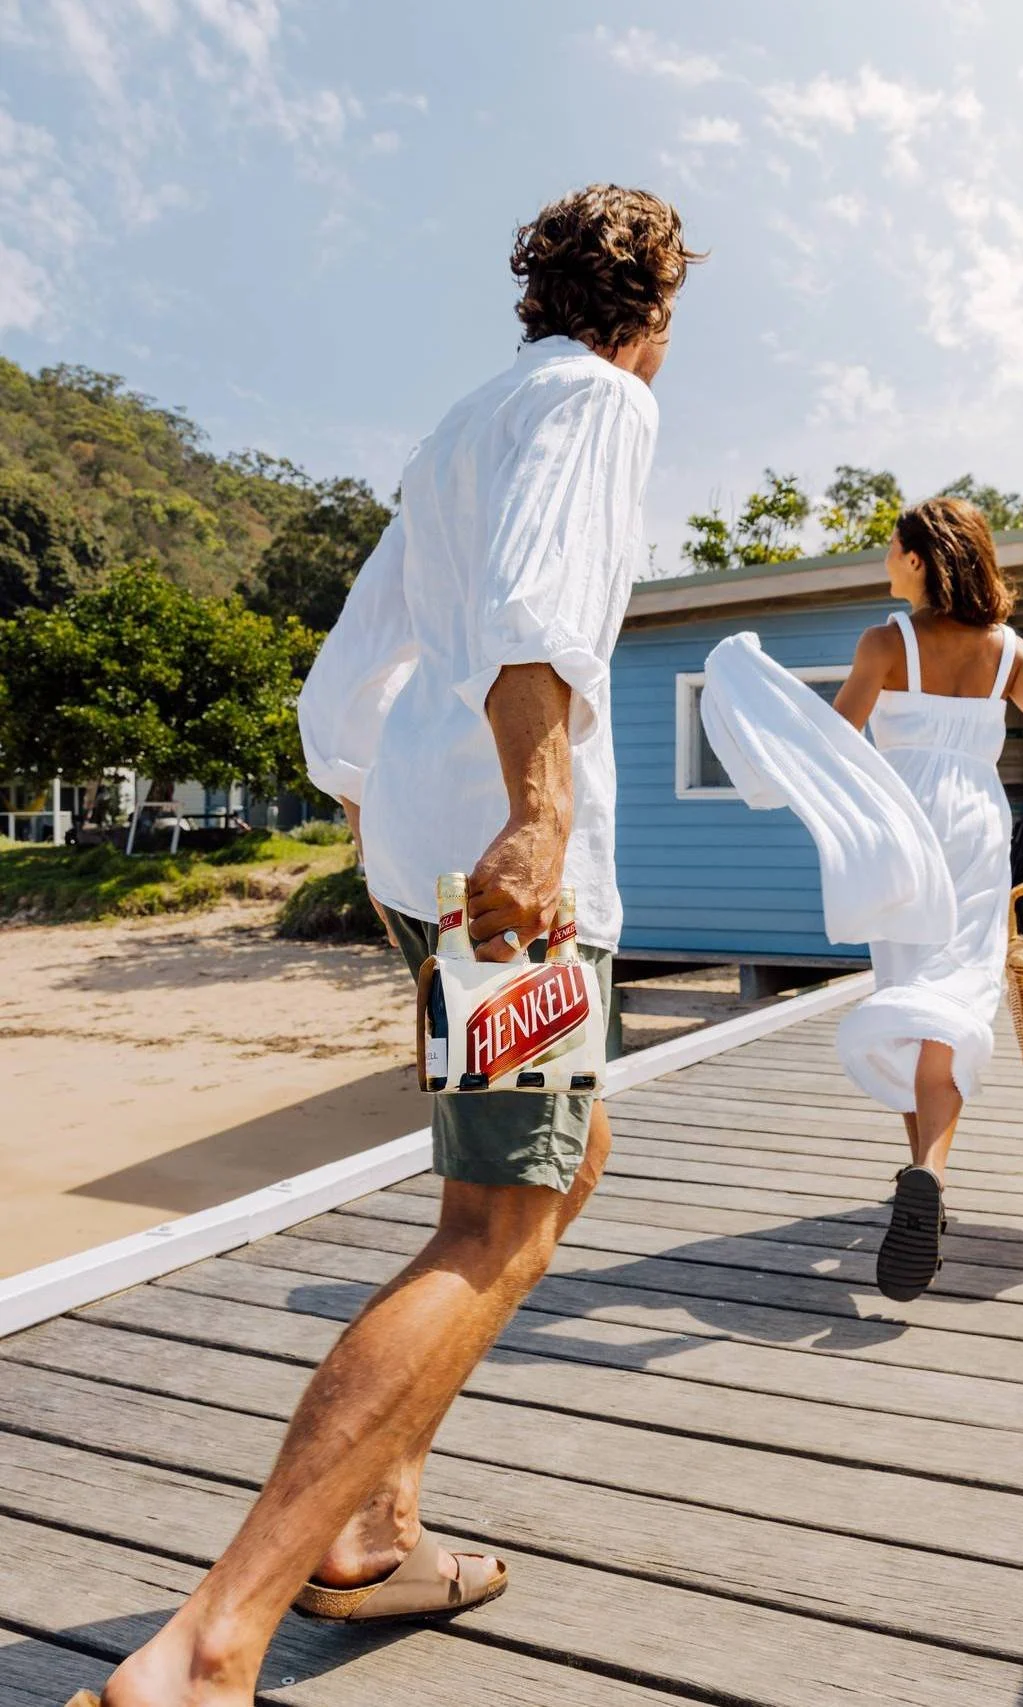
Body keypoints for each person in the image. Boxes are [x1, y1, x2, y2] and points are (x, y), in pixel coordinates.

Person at [79, 184, 700, 1707]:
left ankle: (372, 1526)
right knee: (497, 1221)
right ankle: (212, 1642)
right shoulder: (600, 402)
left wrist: (389, 826)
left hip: (432, 853)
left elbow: (347, 675)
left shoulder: (458, 431)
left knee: (556, 1163)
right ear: (655, 311)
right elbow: (539, 614)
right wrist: (535, 817)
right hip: (508, 866)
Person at [833, 497, 1023, 1303]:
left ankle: (922, 1175)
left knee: (910, 997)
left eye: (892, 547)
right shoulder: (1009, 651)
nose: (886, 559)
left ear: (919, 559)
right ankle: (928, 1175)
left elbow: (835, 744)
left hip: (901, 831)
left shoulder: (885, 642)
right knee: (950, 1003)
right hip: (977, 830)